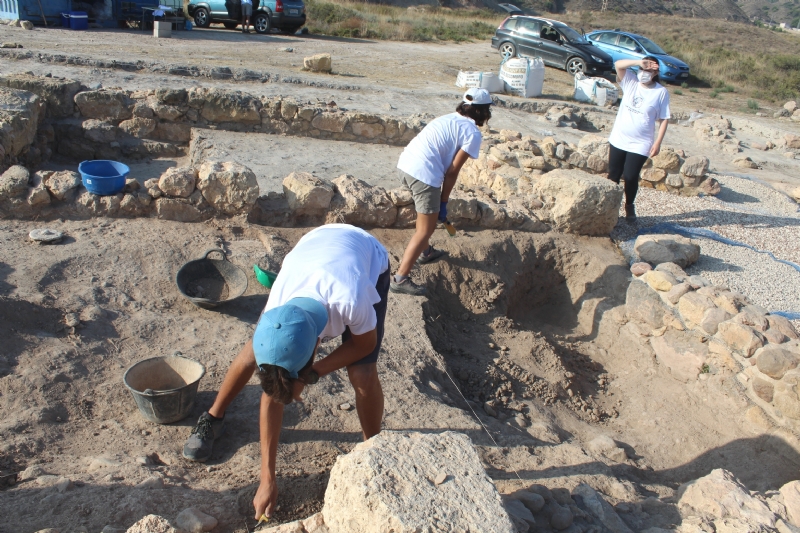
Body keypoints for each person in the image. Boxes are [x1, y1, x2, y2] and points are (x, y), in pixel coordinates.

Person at [182, 224, 390, 520]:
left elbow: (362, 345)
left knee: (363, 375)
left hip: (365, 255)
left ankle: (374, 450)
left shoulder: (350, 300)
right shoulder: (276, 308)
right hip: (312, 248)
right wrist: (267, 479)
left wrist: (314, 372)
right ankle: (213, 417)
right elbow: (274, 392)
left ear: (316, 347)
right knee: (250, 352)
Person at [390, 87, 493, 296]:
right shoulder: (472, 133)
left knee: (425, 216)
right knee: (425, 229)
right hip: (424, 175)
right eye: (488, 110)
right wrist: (443, 202)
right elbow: (453, 171)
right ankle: (400, 279)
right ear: (482, 111)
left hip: (405, 165)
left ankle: (425, 251)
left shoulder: (447, 118)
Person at [607, 56, 671, 222]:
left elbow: (664, 119)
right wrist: (638, 63)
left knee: (630, 176)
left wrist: (658, 142)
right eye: (643, 69)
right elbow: (618, 65)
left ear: (656, 72)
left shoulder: (661, 92)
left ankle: (629, 206)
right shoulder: (631, 82)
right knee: (613, 175)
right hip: (619, 137)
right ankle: (609, 209)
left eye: (649, 70)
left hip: (641, 142)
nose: (644, 73)